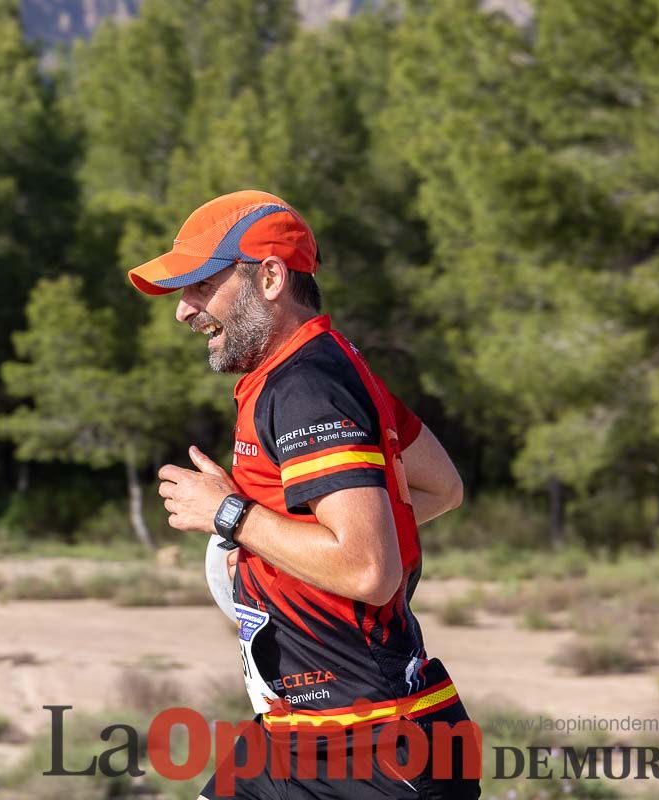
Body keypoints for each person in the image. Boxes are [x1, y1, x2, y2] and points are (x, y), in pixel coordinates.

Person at [128, 190, 481, 800]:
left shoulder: (306, 387)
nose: (184, 312)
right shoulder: (330, 363)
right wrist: (281, 543)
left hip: (373, 749)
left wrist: (230, 515)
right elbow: (436, 488)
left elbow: (368, 569)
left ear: (269, 277)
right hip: (299, 738)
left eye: (201, 286)